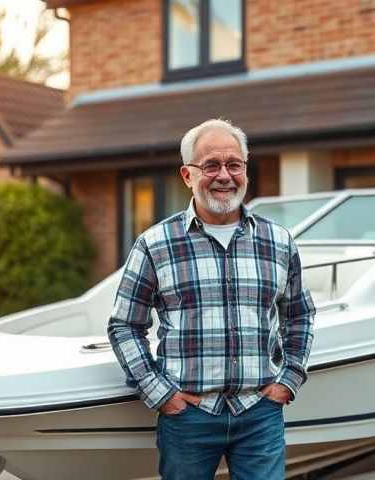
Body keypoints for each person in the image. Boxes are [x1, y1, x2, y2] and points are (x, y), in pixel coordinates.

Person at [108, 118, 316, 479]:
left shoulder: (278, 241)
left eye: (234, 164)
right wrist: (161, 394)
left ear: (245, 171)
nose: (225, 175)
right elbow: (125, 325)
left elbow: (299, 315)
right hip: (188, 417)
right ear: (187, 175)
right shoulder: (155, 244)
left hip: (260, 413)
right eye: (211, 165)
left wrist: (289, 380)